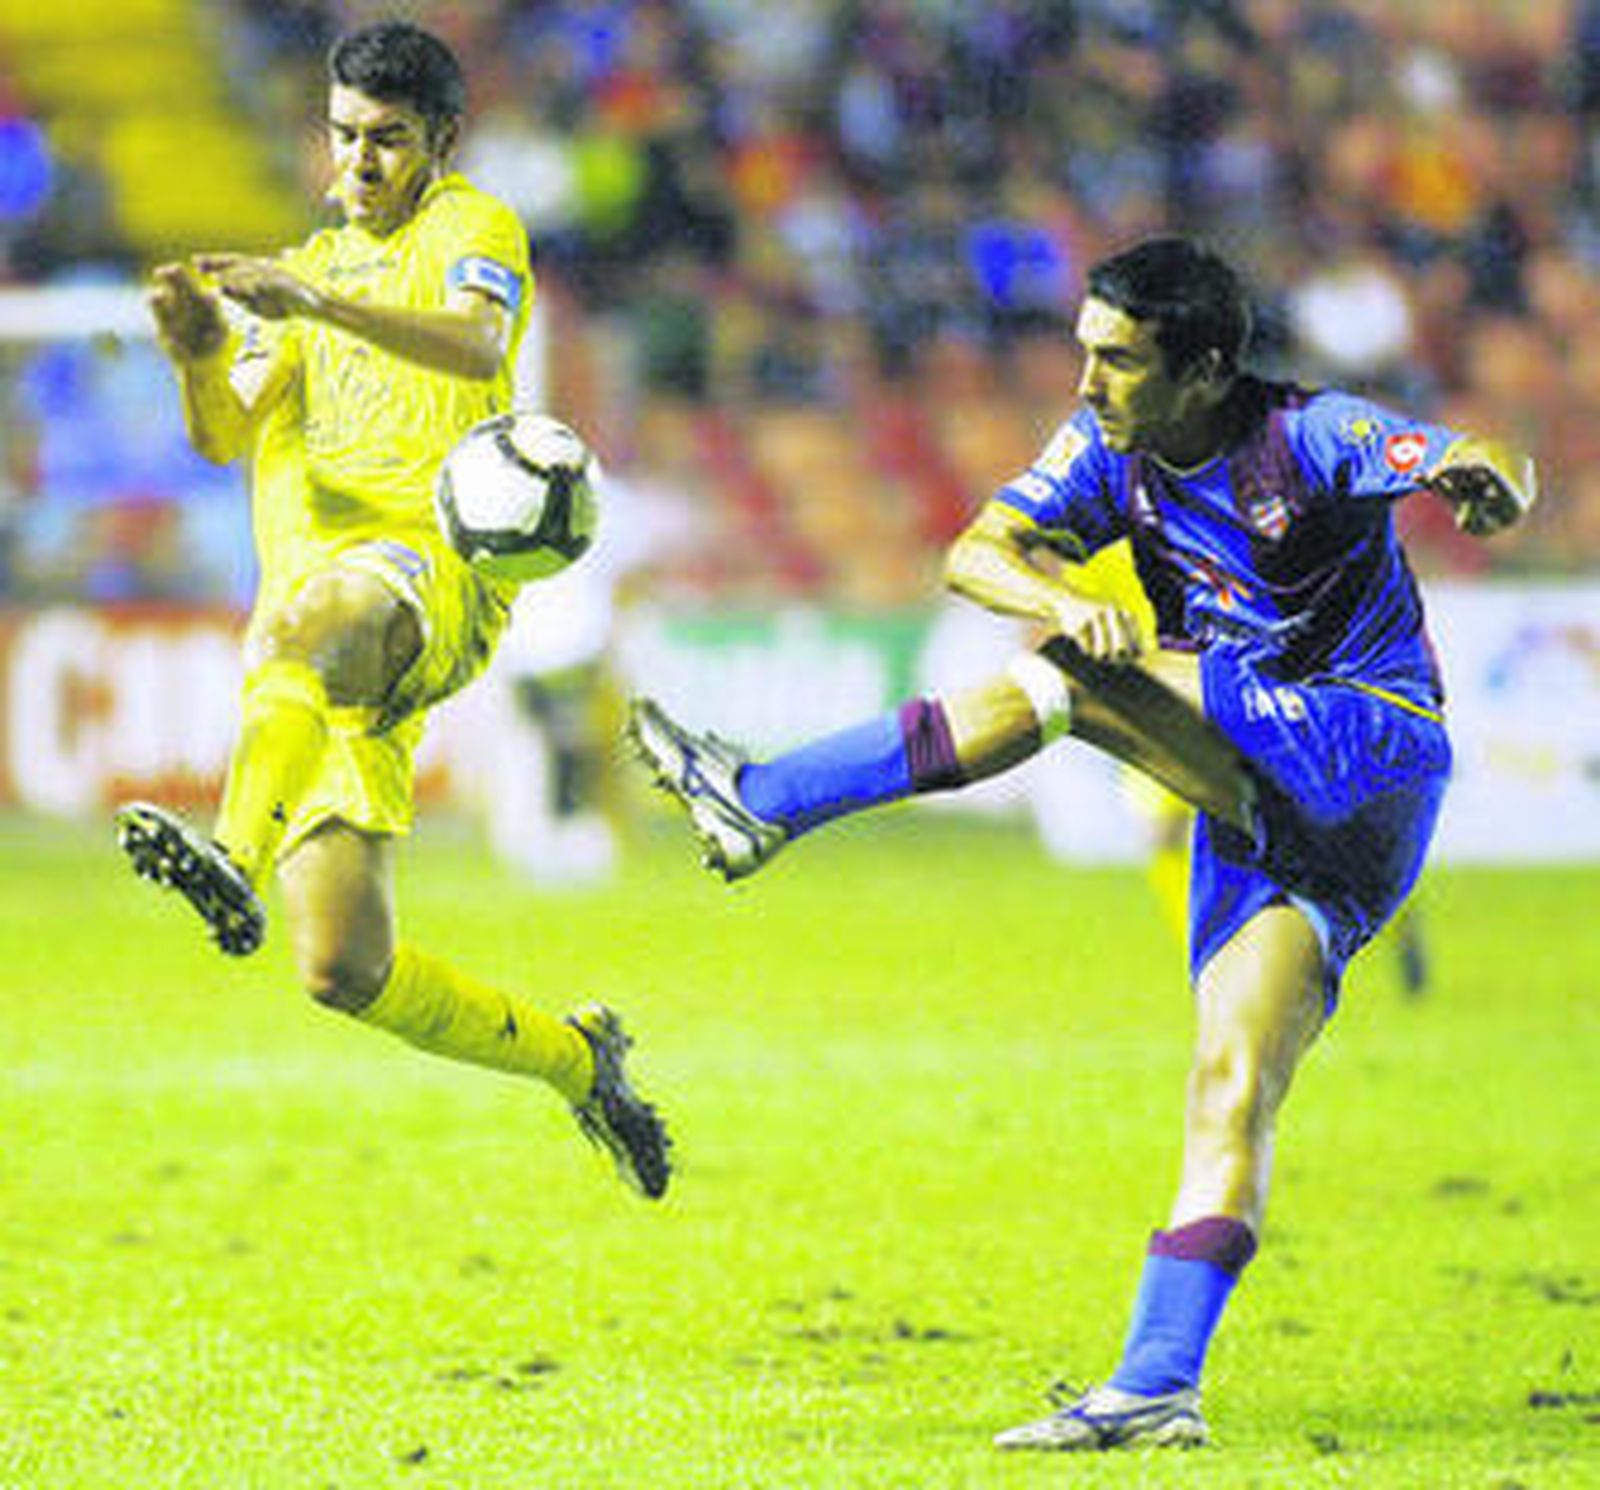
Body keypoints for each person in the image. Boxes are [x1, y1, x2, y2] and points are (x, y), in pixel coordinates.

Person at [629, 236, 1534, 1446]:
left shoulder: (1307, 434)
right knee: (1229, 1080)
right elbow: (972, 554)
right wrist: (1061, 592)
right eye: (1083, 352)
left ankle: (766, 798)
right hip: (1266, 806)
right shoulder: (1108, 452)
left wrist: (1489, 474)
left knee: (1066, 687)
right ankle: (1158, 1381)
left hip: (1365, 739)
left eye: (1118, 360)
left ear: (1206, 369)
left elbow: (1467, 453)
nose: (1087, 382)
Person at [116, 22, 670, 1200]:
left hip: (428, 575)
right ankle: (584, 1061)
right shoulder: (299, 266)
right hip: (325, 645)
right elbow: (222, 435)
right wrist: (195, 355)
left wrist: (311, 297)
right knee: (342, 966)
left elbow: (477, 352)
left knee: (310, 622)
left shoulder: (469, 228)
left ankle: (229, 853)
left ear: (440, 143)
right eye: (344, 135)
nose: (359, 163)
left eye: (387, 141)